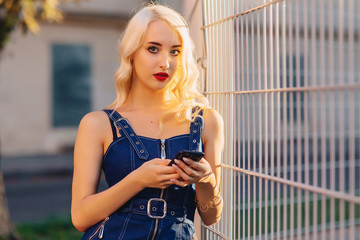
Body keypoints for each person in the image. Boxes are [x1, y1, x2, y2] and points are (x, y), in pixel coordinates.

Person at [71, 3, 224, 240]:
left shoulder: (206, 121)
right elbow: (80, 217)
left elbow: (211, 217)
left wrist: (206, 180)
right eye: (153, 49)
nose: (165, 62)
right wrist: (137, 180)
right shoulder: (98, 124)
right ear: (132, 53)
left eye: (175, 51)